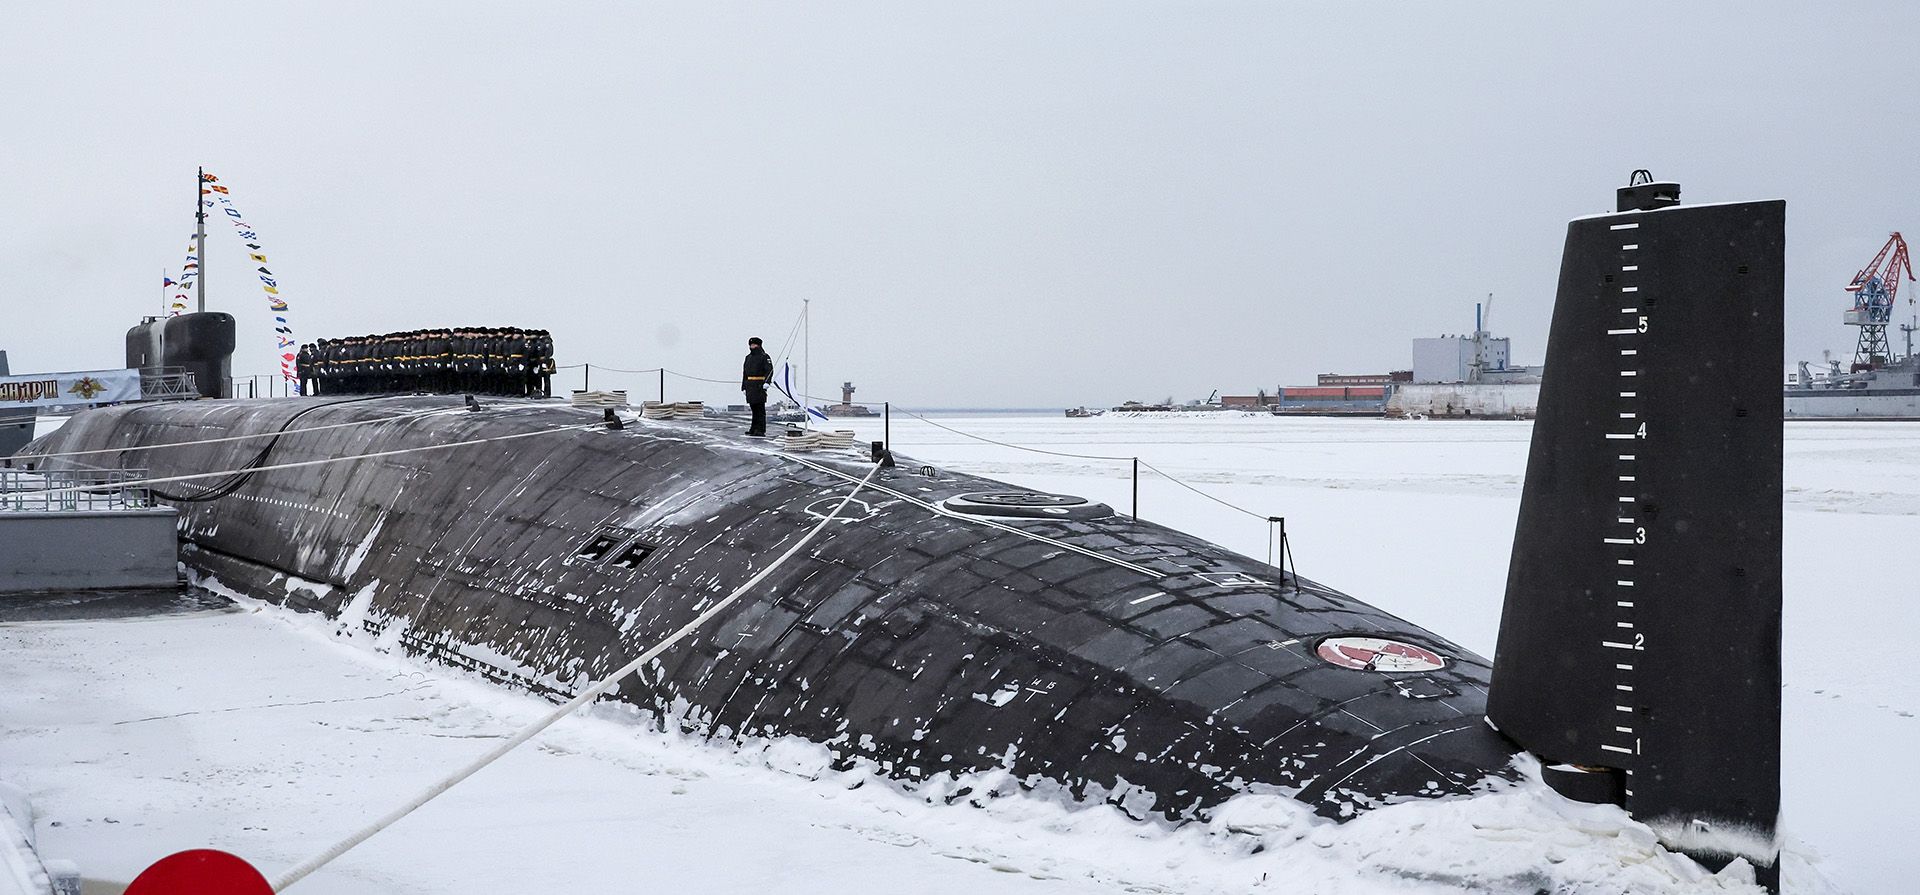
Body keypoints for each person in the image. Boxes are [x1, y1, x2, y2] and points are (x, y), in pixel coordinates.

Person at [741, 336, 774, 436]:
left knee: (760, 409)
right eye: (751, 345)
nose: (752, 346)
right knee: (753, 408)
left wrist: (767, 382)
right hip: (750, 385)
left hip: (759, 385)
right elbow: (745, 373)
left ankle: (760, 429)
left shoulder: (764, 356)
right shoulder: (748, 358)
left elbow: (769, 370)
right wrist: (743, 386)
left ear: (759, 345)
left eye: (754, 344)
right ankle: (753, 428)